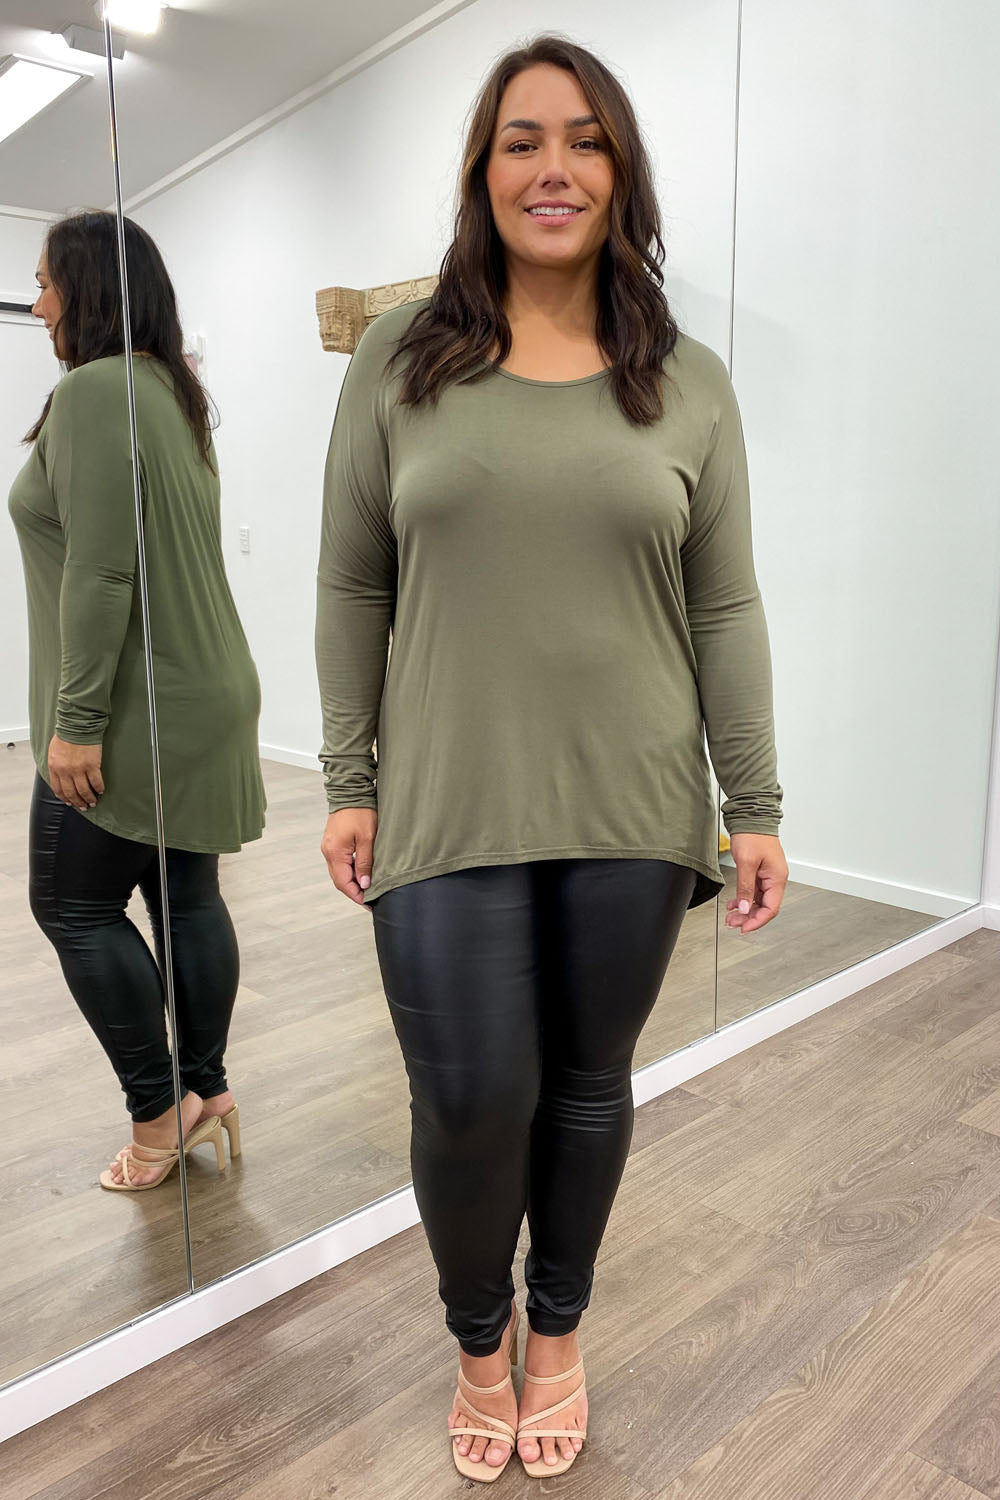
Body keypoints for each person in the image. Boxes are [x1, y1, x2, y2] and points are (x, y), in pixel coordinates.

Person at [316, 35, 788, 1482]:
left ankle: (560, 1335)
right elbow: (353, 581)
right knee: (470, 1099)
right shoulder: (402, 360)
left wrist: (754, 803)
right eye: (521, 141)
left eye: (585, 140)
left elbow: (725, 604)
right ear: (483, 172)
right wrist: (348, 778)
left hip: (633, 802)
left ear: (620, 173)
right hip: (446, 797)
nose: (553, 168)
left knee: (588, 1083)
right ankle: (480, 1339)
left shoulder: (687, 381)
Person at [9, 211, 266, 1192]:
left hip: (135, 701)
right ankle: (205, 1091)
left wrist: (75, 722)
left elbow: (102, 572)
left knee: (72, 905)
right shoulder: (172, 390)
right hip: (203, 689)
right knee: (183, 895)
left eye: (45, 283)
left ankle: (157, 1119)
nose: (38, 304)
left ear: (86, 288)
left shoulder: (93, 392)